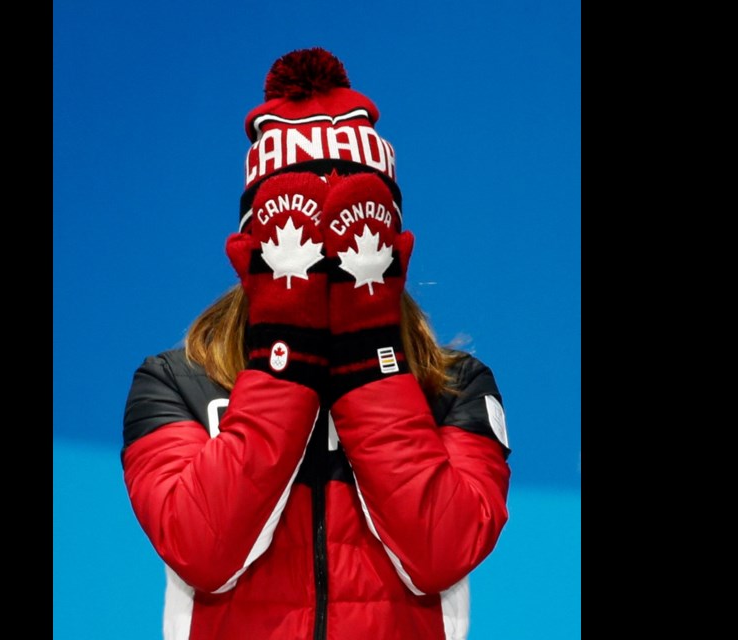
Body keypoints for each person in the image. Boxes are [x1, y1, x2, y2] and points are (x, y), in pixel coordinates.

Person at [122, 48, 511, 640]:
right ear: (255, 239)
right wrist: (285, 349)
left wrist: (371, 352)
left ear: (387, 241)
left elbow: (442, 553)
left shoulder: (456, 385)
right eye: (305, 222)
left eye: (351, 220)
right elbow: (201, 551)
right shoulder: (173, 380)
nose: (328, 245)